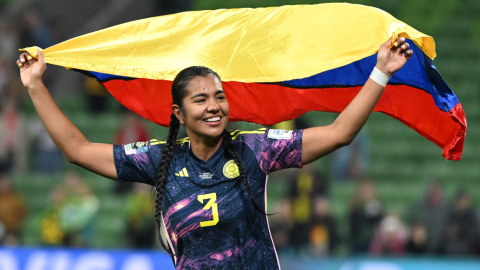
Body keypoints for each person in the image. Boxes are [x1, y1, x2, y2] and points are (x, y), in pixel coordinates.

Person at [16, 36, 412, 268]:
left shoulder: (255, 149)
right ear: (179, 113)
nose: (214, 107)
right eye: (201, 99)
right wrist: (34, 84)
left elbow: (340, 133)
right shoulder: (160, 159)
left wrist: (382, 71)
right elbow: (78, 150)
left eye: (220, 97)